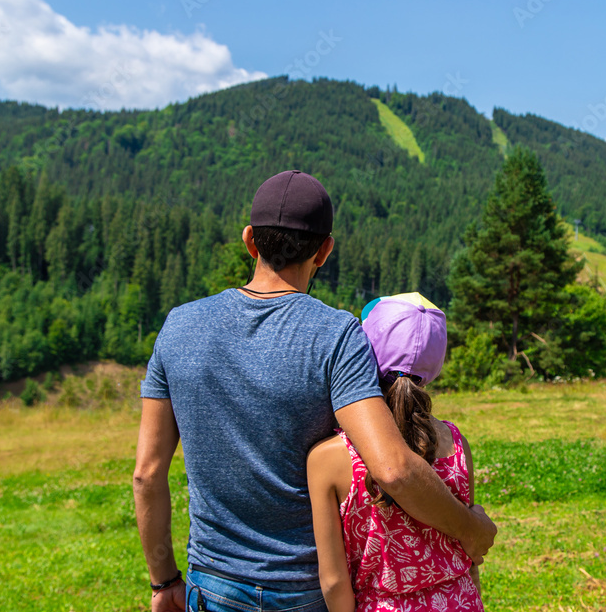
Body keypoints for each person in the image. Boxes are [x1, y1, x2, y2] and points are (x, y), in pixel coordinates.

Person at [133, 171, 496, 612]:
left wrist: (163, 581)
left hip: (211, 584)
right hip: (304, 591)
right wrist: (471, 529)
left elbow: (147, 474)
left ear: (250, 241)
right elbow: (393, 469)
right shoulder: (336, 335)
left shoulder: (178, 326)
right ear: (324, 251)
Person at [307, 293, 483, 612]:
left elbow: (333, 582)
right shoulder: (456, 443)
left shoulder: (329, 458)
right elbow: (470, 556)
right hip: (460, 600)